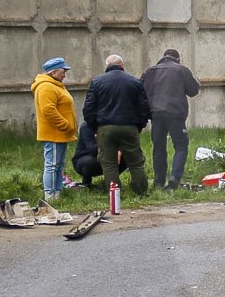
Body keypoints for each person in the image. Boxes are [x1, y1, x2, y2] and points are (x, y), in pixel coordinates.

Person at [83, 54, 151, 196]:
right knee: (136, 163)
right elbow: (144, 108)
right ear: (122, 65)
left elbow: (88, 109)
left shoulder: (97, 82)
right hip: (130, 127)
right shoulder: (135, 82)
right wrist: (139, 126)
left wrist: (96, 127)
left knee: (109, 164)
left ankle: (115, 196)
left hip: (105, 128)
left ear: (106, 66)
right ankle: (141, 193)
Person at [141, 48, 200, 190]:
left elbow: (140, 91)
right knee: (181, 146)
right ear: (177, 59)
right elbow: (193, 91)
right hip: (175, 114)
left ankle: (159, 182)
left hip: (156, 114)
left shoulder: (150, 71)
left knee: (159, 148)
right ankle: (174, 178)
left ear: (163, 57)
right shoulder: (181, 70)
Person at [31, 57, 78, 200]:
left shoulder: (55, 85)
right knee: (52, 165)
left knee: (59, 165)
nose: (65, 74)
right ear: (53, 72)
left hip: (61, 134)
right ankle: (50, 195)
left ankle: (57, 193)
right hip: (54, 133)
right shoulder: (46, 87)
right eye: (63, 71)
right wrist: (65, 125)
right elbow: (48, 110)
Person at [71, 121, 124, 188]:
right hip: (84, 158)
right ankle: (86, 183)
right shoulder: (86, 126)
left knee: (126, 156)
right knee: (89, 162)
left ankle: (112, 180)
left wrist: (119, 151)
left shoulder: (111, 124)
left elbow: (123, 142)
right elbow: (92, 150)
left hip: (107, 155)